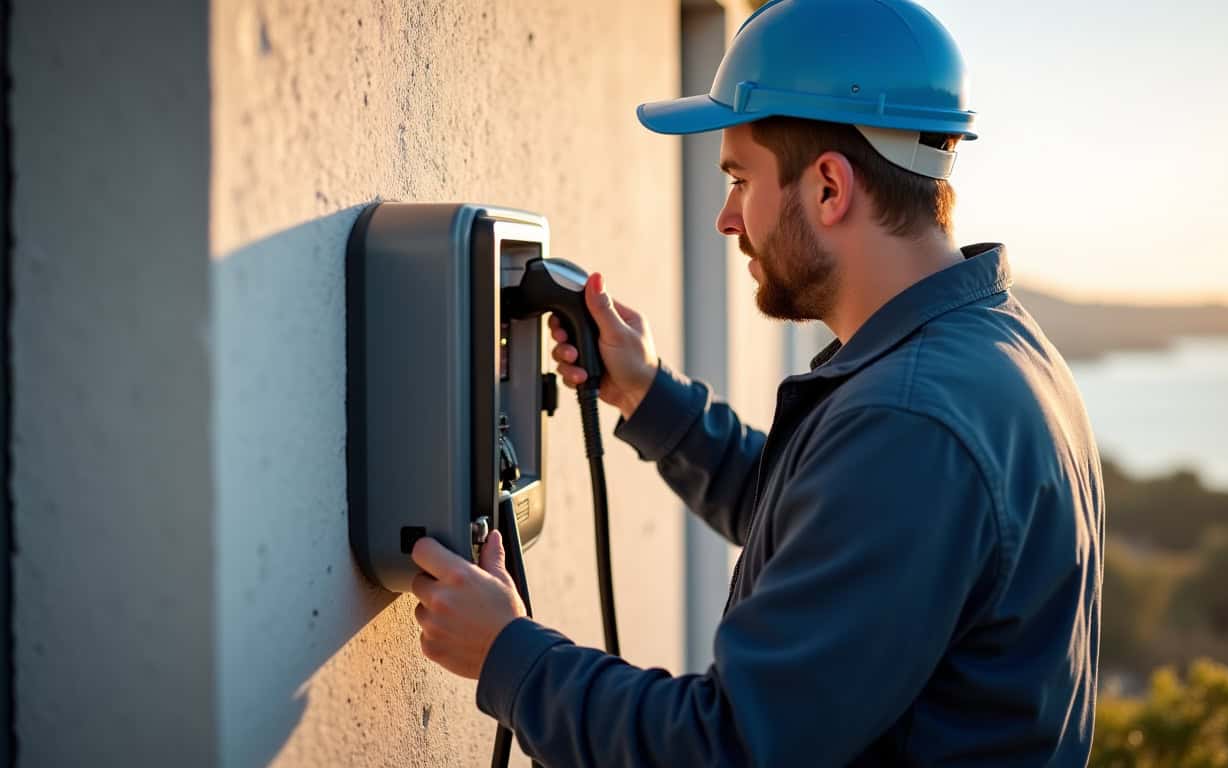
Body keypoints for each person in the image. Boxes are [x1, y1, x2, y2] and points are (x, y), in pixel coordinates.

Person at [408, 0, 1105, 764]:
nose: (727, 218)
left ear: (830, 188)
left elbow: (730, 748)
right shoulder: (995, 346)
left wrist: (508, 655)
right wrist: (647, 393)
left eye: (740, 179)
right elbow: (826, 535)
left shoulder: (910, 423)